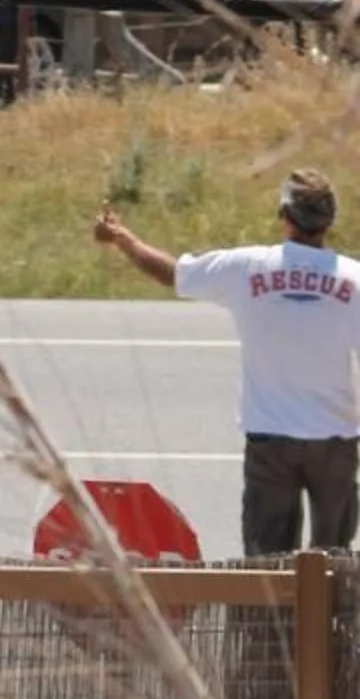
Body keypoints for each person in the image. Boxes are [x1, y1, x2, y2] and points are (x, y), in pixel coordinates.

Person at [94, 170, 360, 555]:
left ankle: (272, 598)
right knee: (336, 561)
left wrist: (123, 238)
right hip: (335, 440)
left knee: (267, 564)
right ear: (329, 221)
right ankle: (333, 596)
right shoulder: (353, 280)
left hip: (271, 439)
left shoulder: (248, 267)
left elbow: (175, 275)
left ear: (283, 215)